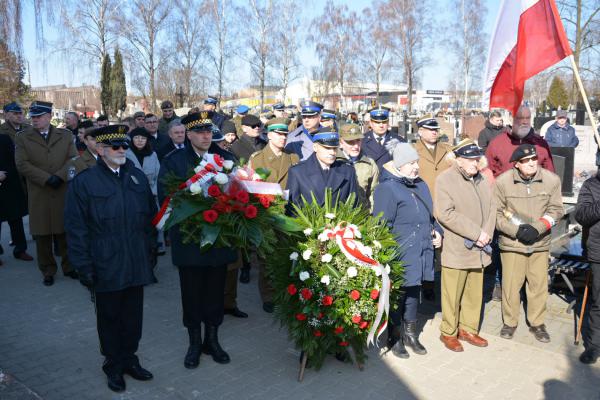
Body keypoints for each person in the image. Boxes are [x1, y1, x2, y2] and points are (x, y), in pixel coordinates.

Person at [65, 124, 157, 393]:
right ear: (101, 149)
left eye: (124, 146)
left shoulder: (136, 178)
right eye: (115, 147)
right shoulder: (85, 182)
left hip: (135, 260)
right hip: (105, 263)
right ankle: (113, 365)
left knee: (133, 318)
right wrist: (83, 266)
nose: (121, 151)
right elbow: (76, 228)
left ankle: (130, 359)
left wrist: (150, 251)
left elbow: (150, 219)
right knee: (109, 318)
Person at [158, 111, 237, 368]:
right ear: (188, 134)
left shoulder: (225, 158)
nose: (206, 136)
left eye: (209, 131)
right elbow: (166, 197)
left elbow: (239, 193)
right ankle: (194, 342)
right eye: (200, 132)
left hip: (219, 238)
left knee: (215, 291)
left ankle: (212, 340)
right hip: (189, 240)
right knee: (191, 293)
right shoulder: (174, 161)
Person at [373, 143, 442, 358]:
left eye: (416, 163)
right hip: (401, 252)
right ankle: (394, 338)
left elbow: (431, 217)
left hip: (421, 249)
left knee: (414, 293)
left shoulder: (420, 184)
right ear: (399, 165)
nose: (416, 168)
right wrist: (388, 255)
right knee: (398, 296)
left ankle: (411, 334)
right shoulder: (387, 188)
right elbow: (381, 226)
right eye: (411, 164)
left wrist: (438, 231)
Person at [494, 144, 563, 343]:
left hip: (540, 243)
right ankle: (510, 322)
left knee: (538, 285)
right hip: (513, 244)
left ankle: (537, 323)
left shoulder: (551, 180)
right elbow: (496, 215)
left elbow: (557, 210)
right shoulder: (502, 182)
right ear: (516, 164)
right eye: (526, 161)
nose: (532, 163)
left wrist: (538, 228)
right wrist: (516, 231)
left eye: (534, 159)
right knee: (511, 285)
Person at [435, 139, 495, 352]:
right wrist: (476, 233)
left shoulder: (480, 179)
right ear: (458, 160)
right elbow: (445, 213)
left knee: (473, 292)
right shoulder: (445, 180)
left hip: (479, 248)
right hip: (458, 248)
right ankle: (448, 332)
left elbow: (492, 207)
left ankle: (468, 329)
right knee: (452, 294)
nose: (475, 162)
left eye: (477, 158)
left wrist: (486, 233)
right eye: (470, 159)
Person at [15, 101, 79, 286]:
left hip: (61, 189)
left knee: (64, 232)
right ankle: (48, 270)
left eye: (39, 116)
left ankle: (69, 267)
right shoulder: (23, 137)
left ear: (49, 116)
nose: (34, 120)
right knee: (42, 235)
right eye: (33, 117)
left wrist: (59, 176)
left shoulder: (65, 135)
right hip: (39, 191)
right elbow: (21, 164)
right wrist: (45, 178)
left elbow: (73, 159)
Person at [249, 118, 300, 313]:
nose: (282, 138)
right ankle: (268, 295)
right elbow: (250, 187)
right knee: (266, 257)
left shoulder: (293, 158)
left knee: (287, 254)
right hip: (266, 214)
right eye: (278, 134)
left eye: (285, 134)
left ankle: (285, 292)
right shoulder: (257, 159)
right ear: (269, 135)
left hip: (288, 214)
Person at [413, 115, 453, 301]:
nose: (434, 132)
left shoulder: (447, 150)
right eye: (430, 129)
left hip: (445, 206)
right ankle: (427, 285)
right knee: (426, 249)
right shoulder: (413, 151)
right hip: (422, 205)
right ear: (420, 131)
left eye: (436, 129)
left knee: (444, 248)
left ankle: (444, 284)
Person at [286, 129, 359, 210]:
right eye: (327, 148)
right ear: (315, 147)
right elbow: (292, 208)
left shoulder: (348, 172)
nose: (332, 152)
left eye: (334, 148)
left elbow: (353, 205)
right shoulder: (298, 172)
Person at [486, 105, 554, 177]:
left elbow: (550, 175)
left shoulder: (541, 144)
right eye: (520, 118)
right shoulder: (496, 144)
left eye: (527, 118)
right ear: (510, 119)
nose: (524, 122)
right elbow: (488, 175)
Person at [575, 170, 600, 364]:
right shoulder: (591, 185)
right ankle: (594, 346)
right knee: (599, 303)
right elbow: (582, 216)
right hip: (599, 252)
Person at [0, 133, 33, 264]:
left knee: (15, 219)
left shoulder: (4, 138)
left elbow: (16, 159)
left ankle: (20, 250)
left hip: (10, 185)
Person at [337, 123, 378, 210]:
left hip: (362, 216)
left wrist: (371, 214)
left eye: (358, 140)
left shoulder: (369, 164)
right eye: (350, 142)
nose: (356, 146)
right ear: (340, 143)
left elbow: (374, 192)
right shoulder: (335, 162)